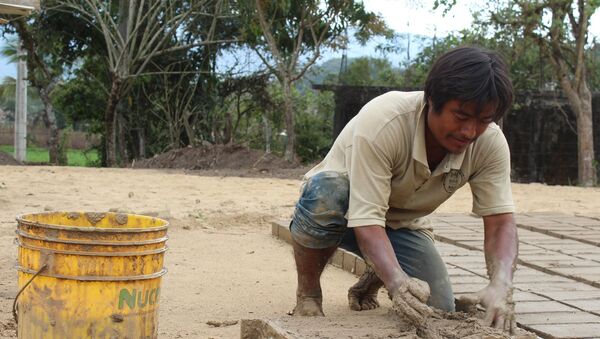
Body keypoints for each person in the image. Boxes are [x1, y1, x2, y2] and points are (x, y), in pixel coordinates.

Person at [288, 46, 519, 333]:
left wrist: (501, 284)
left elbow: (499, 223)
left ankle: (379, 270)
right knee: (327, 192)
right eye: (461, 116)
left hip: (401, 224)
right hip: (343, 208)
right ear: (432, 99)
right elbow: (367, 219)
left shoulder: (491, 143)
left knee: (438, 305)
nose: (470, 132)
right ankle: (309, 294)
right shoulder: (385, 121)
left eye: (483, 120)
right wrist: (397, 283)